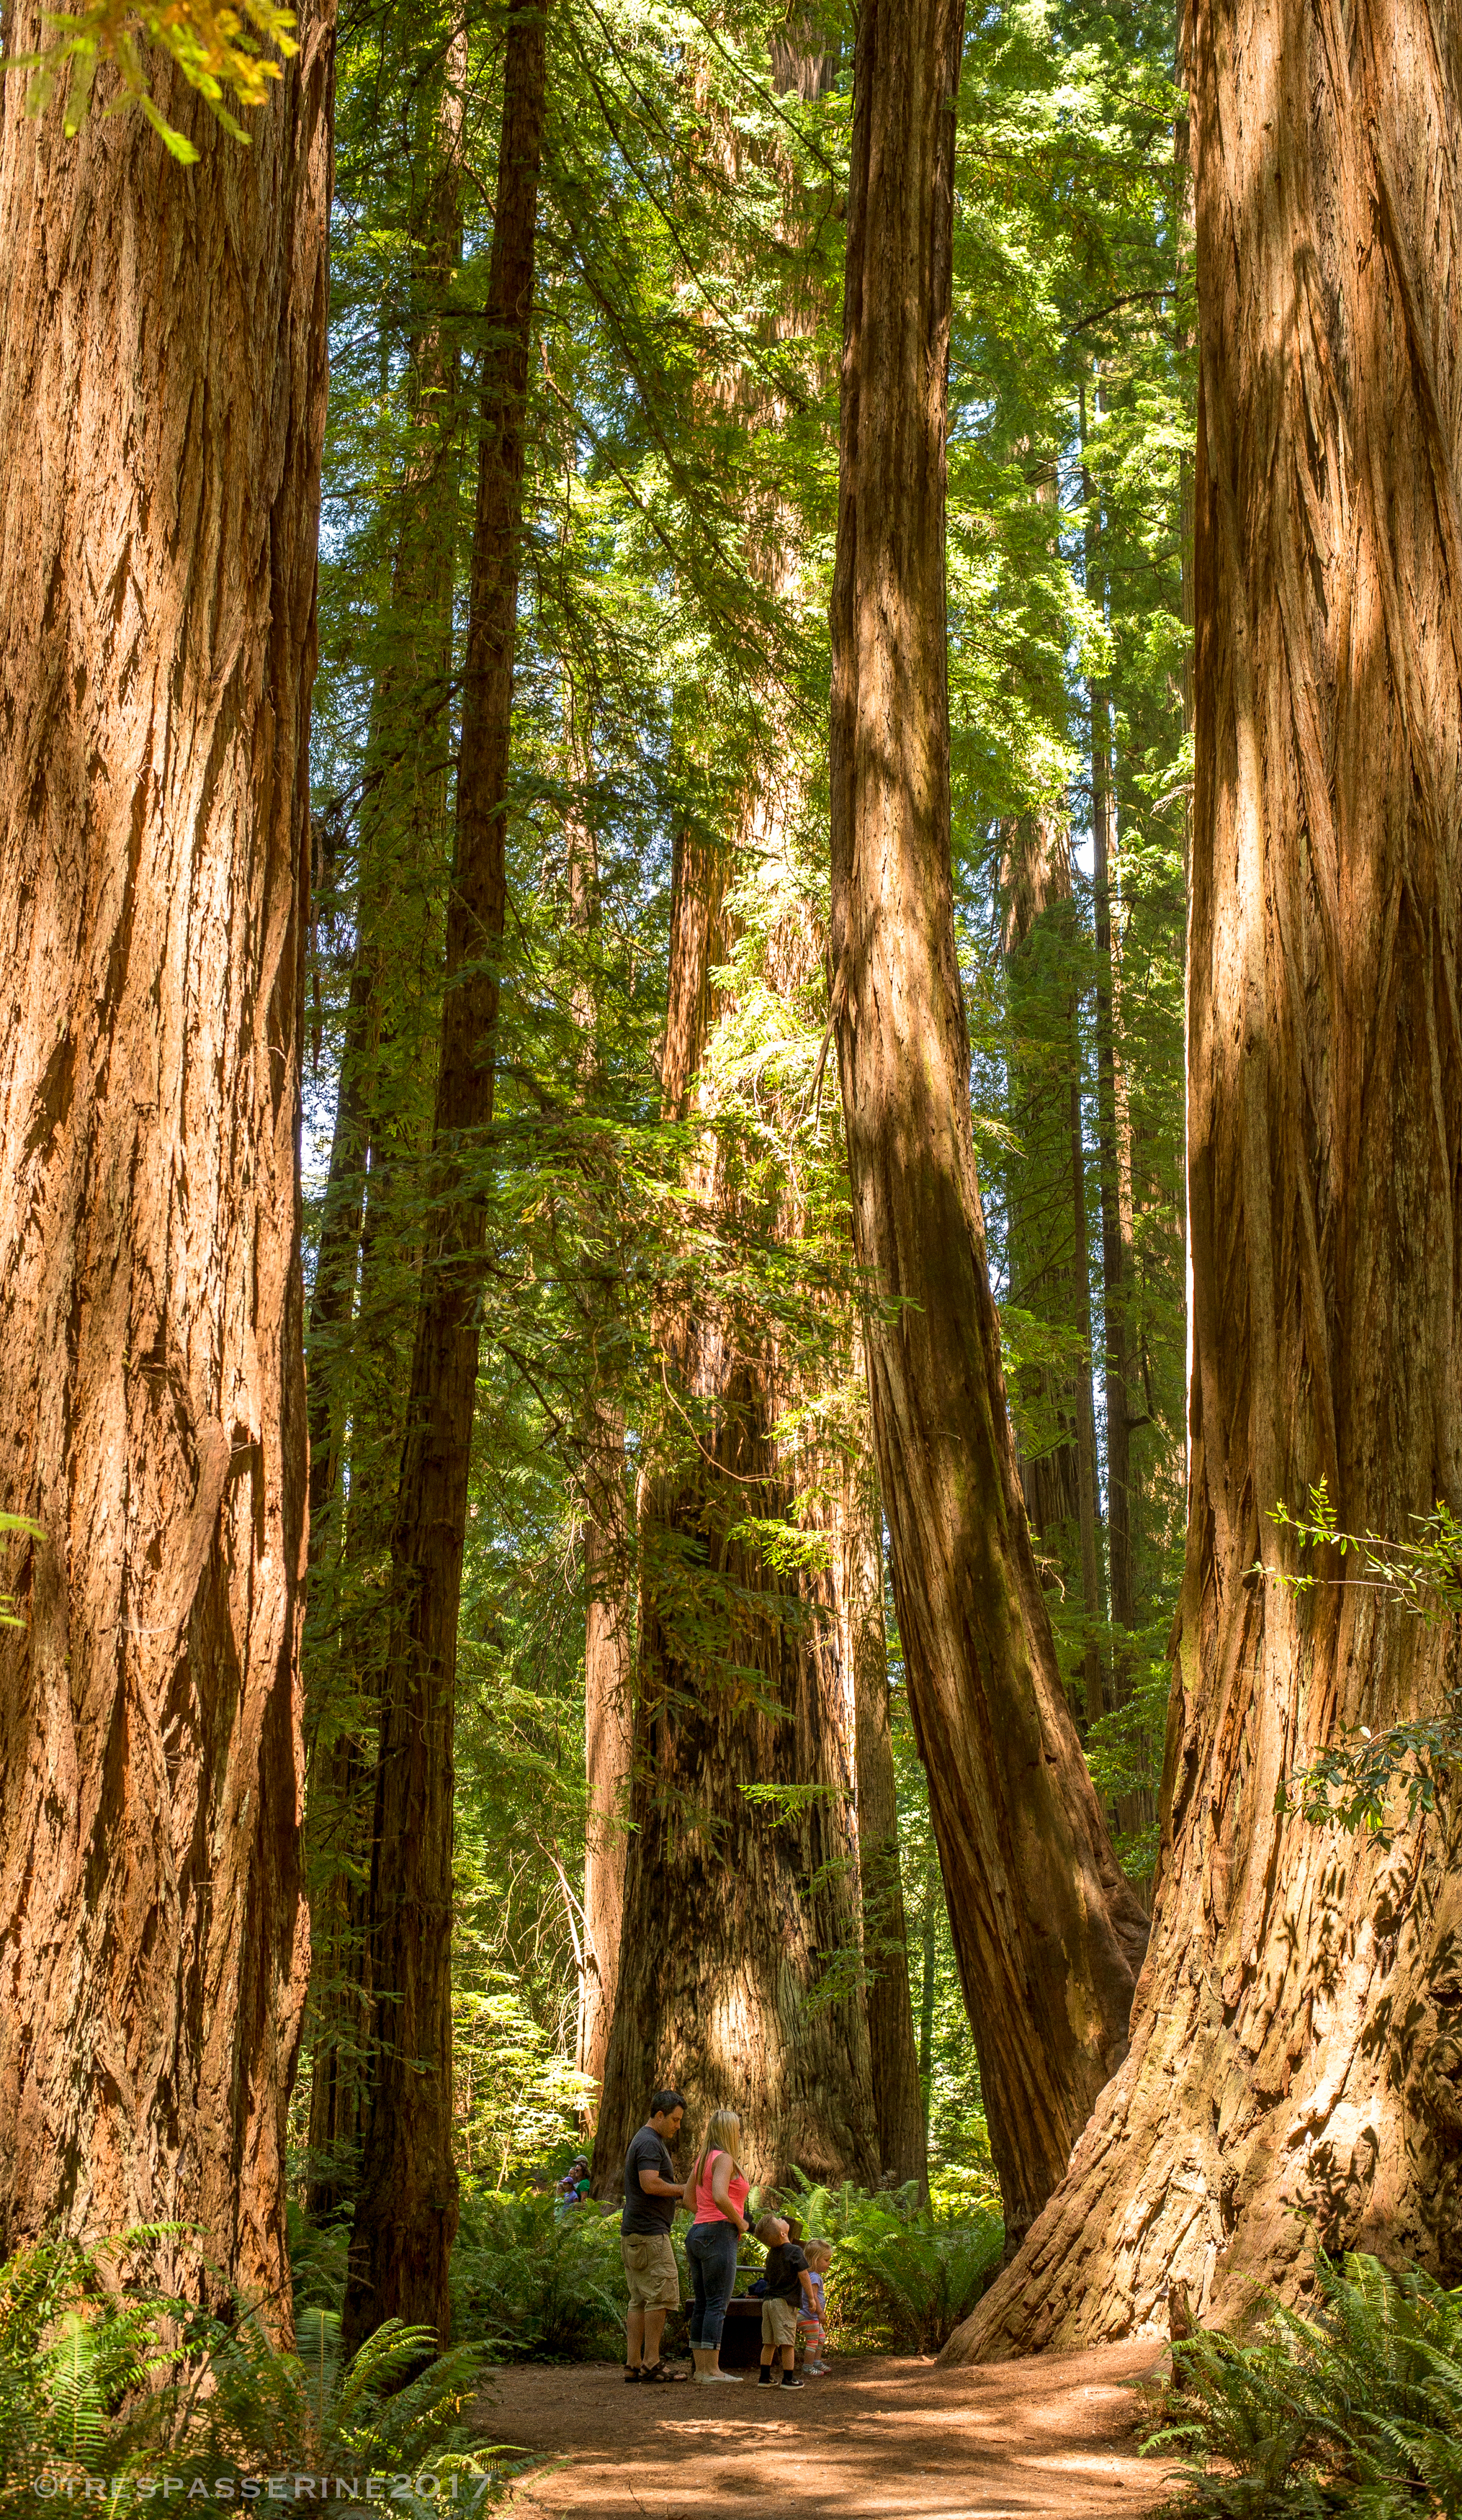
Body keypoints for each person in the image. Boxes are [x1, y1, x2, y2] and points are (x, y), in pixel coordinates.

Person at [621, 2089, 690, 2383]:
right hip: (650, 2234)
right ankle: (651, 2362)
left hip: (636, 2233)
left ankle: (633, 2364)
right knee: (660, 2297)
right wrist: (683, 2189)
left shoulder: (645, 2139)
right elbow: (649, 2184)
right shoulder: (649, 2141)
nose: (678, 2126)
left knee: (639, 2299)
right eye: (675, 2120)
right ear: (659, 2115)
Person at [683, 2108, 750, 2382]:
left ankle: (701, 2369)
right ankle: (712, 2370)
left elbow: (688, 2198)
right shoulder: (724, 2159)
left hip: (697, 2233)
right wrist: (739, 2222)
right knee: (717, 2304)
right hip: (719, 2234)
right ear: (728, 2132)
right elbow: (721, 2196)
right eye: (738, 2129)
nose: (740, 2134)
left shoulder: (702, 2160)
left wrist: (705, 2215)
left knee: (702, 2303)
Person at [753, 2211, 813, 2391]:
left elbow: (767, 2278)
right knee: (788, 2342)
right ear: (783, 2233)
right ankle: (789, 2378)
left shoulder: (771, 2254)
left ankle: (764, 2377)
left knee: (769, 2341)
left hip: (768, 2302)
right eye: (779, 2220)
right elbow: (803, 2274)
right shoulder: (795, 2251)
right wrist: (811, 2297)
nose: (782, 2219)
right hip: (783, 2303)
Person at [798, 2239, 832, 2373]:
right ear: (816, 2260)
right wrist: (820, 2312)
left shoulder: (813, 2276)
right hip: (809, 2316)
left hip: (812, 2316)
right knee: (813, 2340)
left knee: (821, 2337)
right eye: (826, 2260)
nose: (829, 2263)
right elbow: (814, 2296)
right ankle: (808, 2366)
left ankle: (816, 2362)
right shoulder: (814, 2278)